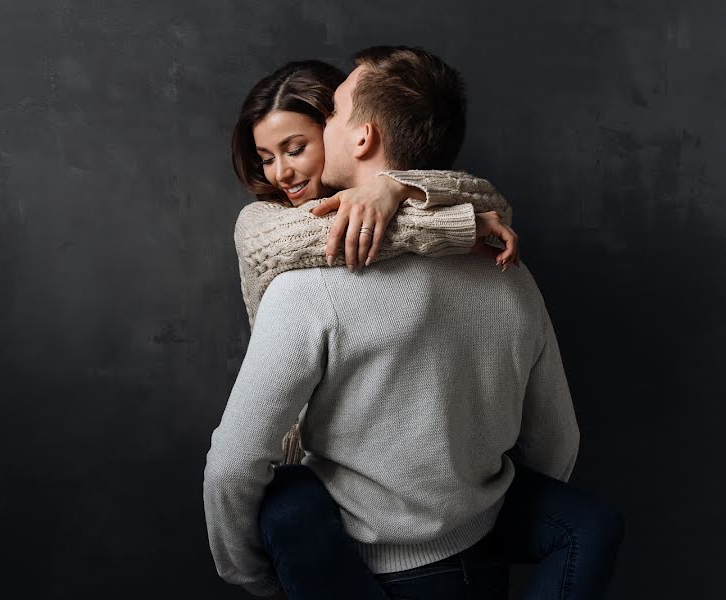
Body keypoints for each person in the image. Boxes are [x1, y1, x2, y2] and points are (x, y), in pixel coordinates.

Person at [204, 47, 624, 599]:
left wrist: (255, 576)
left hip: (368, 575)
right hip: (484, 559)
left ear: (362, 137)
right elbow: (556, 440)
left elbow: (233, 467)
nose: (283, 168)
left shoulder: (307, 290)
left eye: (330, 113)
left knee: (287, 500)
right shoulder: (506, 269)